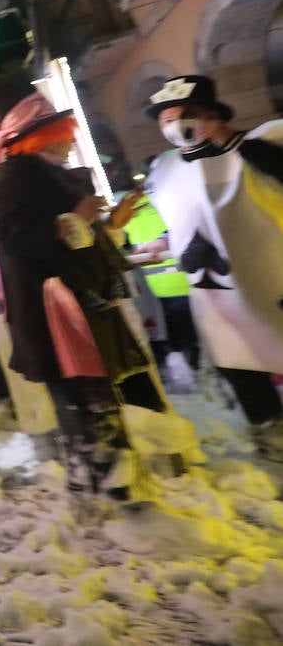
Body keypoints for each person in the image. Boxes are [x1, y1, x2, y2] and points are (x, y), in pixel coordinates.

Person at [0, 95, 189, 496]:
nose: (68, 142)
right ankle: (107, 486)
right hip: (57, 310)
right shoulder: (16, 177)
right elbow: (12, 235)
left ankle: (132, 478)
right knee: (84, 398)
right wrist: (74, 221)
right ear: (40, 139)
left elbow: (75, 235)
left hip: (87, 301)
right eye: (62, 136)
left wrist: (110, 223)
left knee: (107, 390)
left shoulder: (47, 174)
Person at [138, 74, 283, 456]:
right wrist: (166, 241)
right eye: (166, 118)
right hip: (216, 294)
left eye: (187, 114)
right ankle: (271, 435)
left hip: (271, 276)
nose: (176, 125)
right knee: (239, 362)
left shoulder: (262, 144)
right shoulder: (165, 169)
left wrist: (230, 140)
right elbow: (192, 222)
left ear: (213, 113)